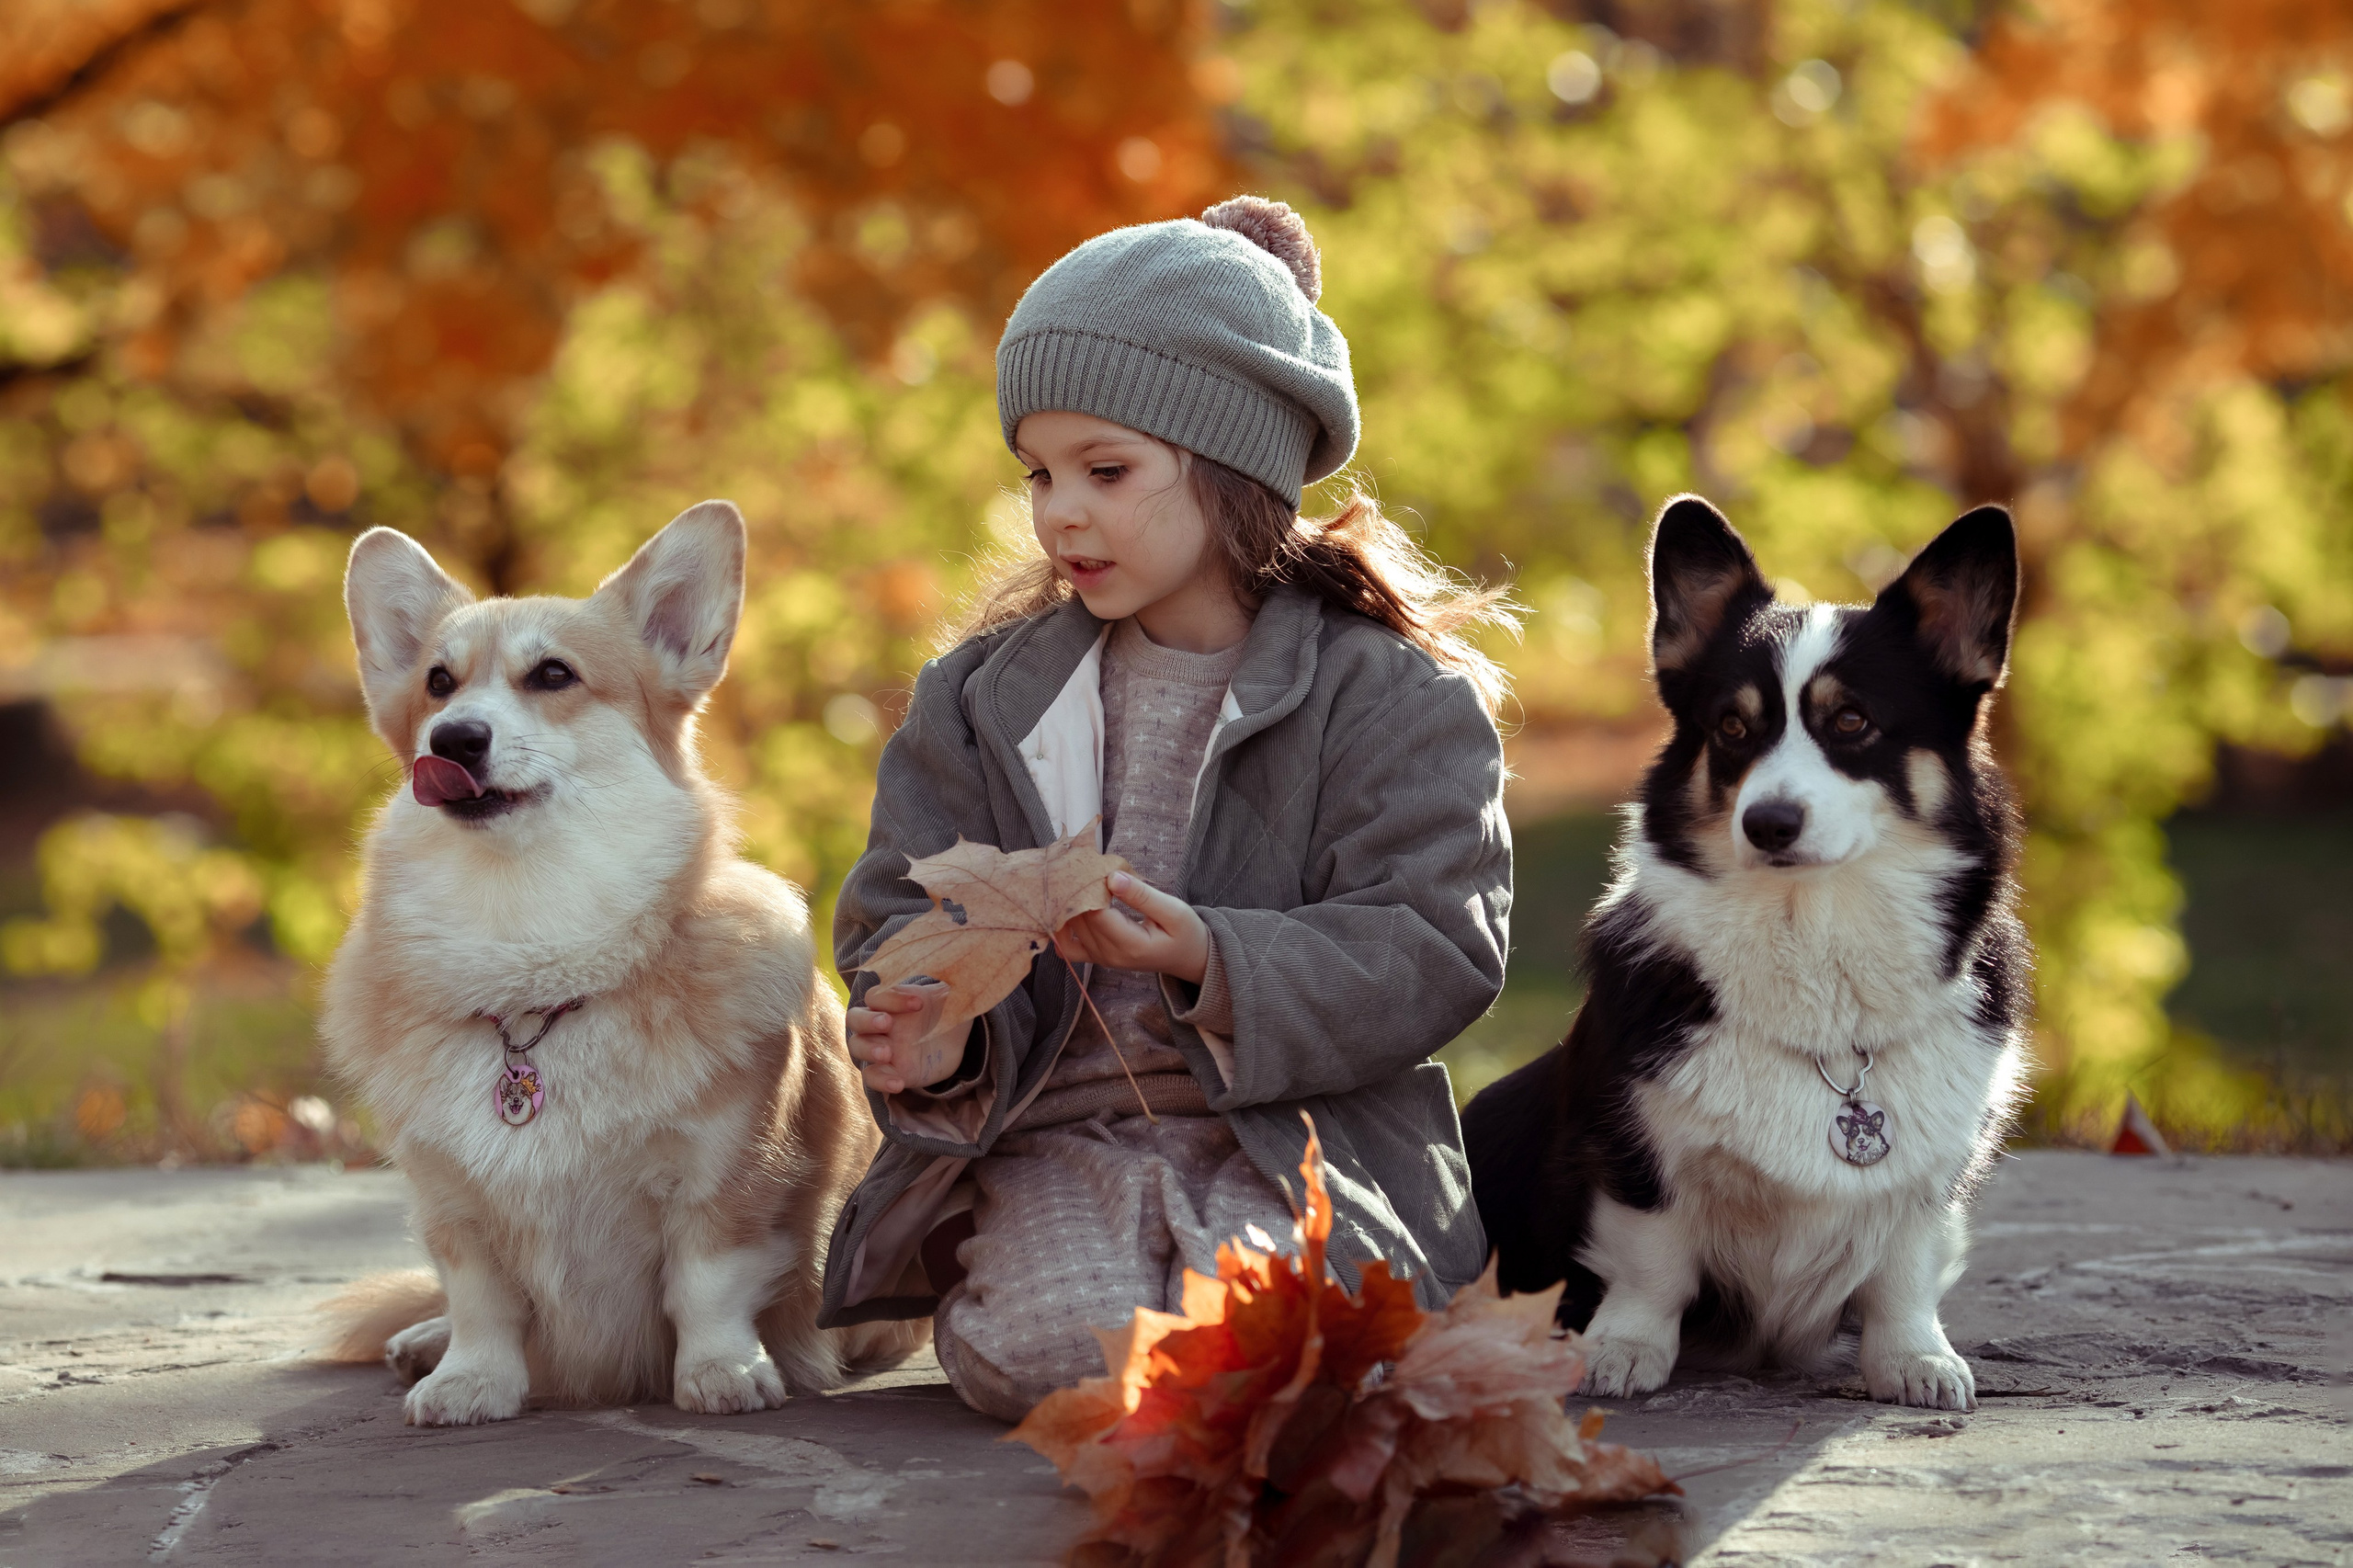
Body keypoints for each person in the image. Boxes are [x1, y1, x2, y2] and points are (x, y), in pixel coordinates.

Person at [813, 196, 1518, 1421]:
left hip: (1298, 1132)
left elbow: (1435, 942)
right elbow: (895, 913)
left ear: (1233, 463)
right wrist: (935, 1031)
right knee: (1053, 1354)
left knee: (1281, 1339)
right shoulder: (980, 698)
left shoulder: (1390, 695)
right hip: (1058, 1137)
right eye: (1039, 474)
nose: (1059, 512)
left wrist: (1210, 954)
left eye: (1106, 470)